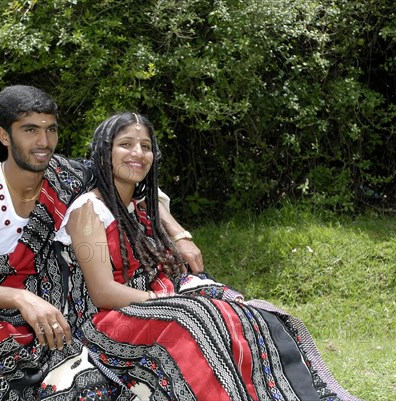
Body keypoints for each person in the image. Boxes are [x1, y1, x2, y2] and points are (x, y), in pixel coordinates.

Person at [0, 86, 201, 401]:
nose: (43, 142)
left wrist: (179, 234)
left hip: (62, 307)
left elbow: (133, 182)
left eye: (51, 130)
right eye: (30, 130)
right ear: (4, 136)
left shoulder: (67, 174)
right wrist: (23, 299)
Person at [49, 112, 362, 400]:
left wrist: (181, 267)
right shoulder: (88, 212)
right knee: (197, 319)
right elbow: (103, 292)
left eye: (146, 146)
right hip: (105, 318)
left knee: (243, 310)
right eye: (126, 145)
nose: (138, 153)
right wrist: (166, 299)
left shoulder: (137, 205)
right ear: (105, 153)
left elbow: (155, 205)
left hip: (148, 300)